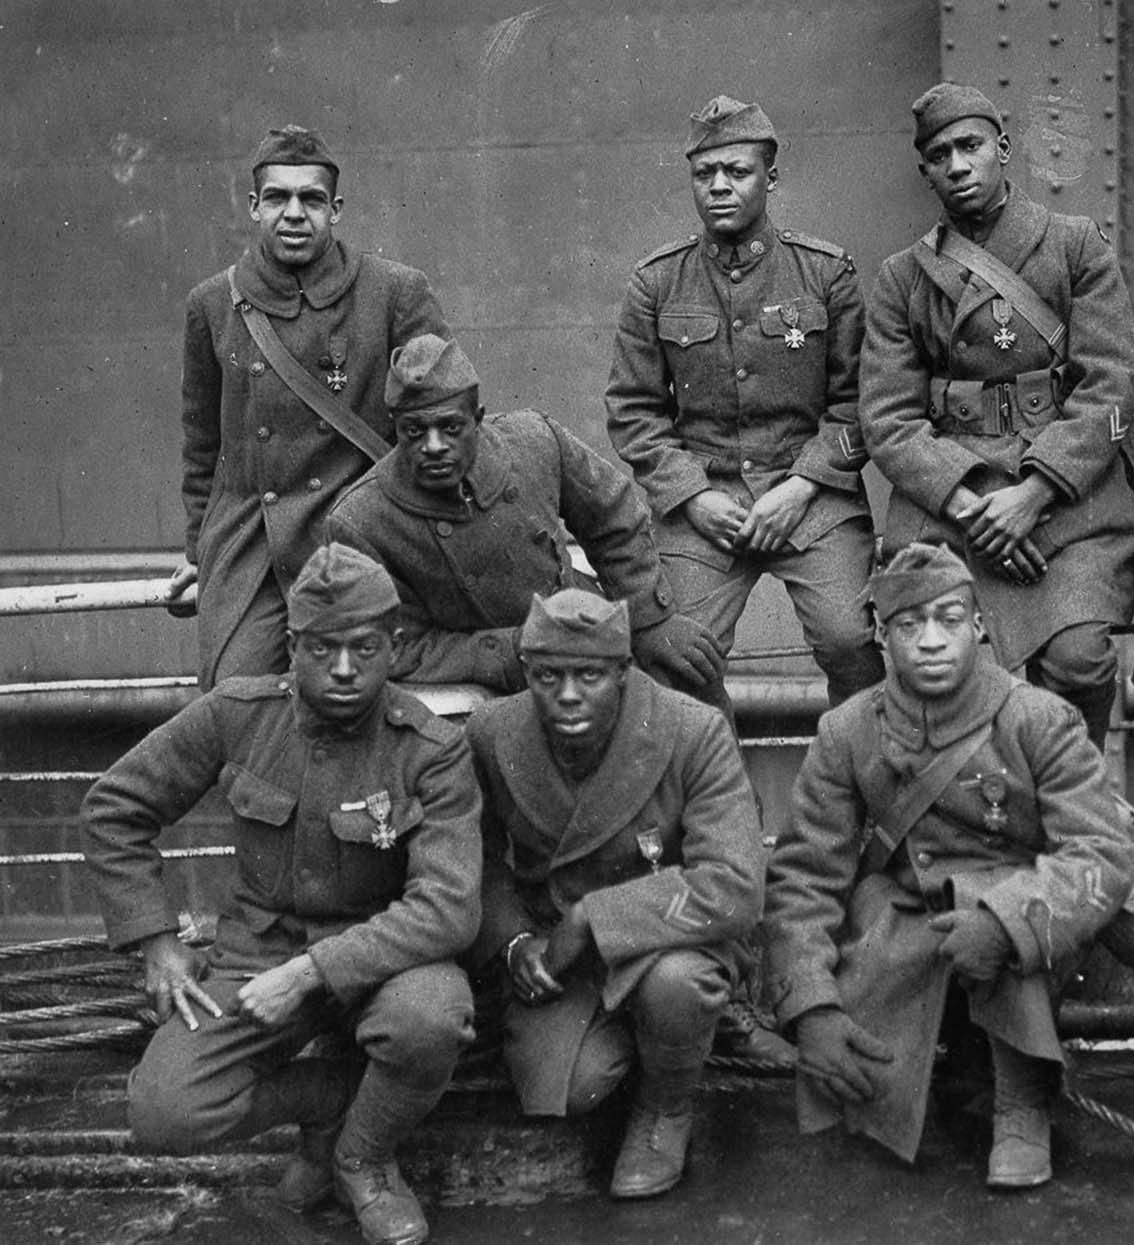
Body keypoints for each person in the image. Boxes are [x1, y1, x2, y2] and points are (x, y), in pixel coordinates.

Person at [82, 543, 481, 1245]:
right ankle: (332, 1105)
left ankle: (365, 1159)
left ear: (395, 646)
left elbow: (448, 908)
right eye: (324, 649)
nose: (346, 668)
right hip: (254, 956)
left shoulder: (431, 748)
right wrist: (157, 941)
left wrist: (309, 973)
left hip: (381, 963)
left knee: (431, 1016)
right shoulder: (238, 715)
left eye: (365, 647)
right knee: (164, 1109)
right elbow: (115, 807)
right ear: (293, 646)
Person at [764, 544, 1134, 1188]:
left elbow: (1100, 851)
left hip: (1046, 893)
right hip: (920, 906)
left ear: (980, 626)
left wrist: (1005, 924)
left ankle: (1022, 1107)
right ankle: (968, 1067)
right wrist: (811, 1006)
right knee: (867, 1086)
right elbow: (805, 876)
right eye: (909, 625)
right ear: (882, 637)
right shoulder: (848, 730)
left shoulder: (1037, 716)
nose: (931, 641)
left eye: (948, 619)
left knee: (1005, 912)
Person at [859, 83, 1134, 752]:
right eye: (940, 155)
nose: (958, 165)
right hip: (954, 502)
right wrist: (975, 504)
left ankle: (1078, 796)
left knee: (1078, 659)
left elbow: (1110, 384)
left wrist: (1035, 492)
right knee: (937, 666)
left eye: (971, 146)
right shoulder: (903, 277)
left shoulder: (1075, 246)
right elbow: (887, 417)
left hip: (1070, 498)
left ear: (1002, 150)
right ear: (925, 170)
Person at [467, 588, 765, 1199]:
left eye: (590, 675)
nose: (569, 694)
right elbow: (476, 862)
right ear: (527, 672)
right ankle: (647, 1043)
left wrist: (593, 918)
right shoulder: (493, 733)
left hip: (672, 940)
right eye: (549, 676)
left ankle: (666, 1106)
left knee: (676, 985)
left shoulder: (691, 730)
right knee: (576, 1090)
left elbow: (734, 886)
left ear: (624, 672)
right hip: (560, 959)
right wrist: (514, 940)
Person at [606, 94, 883, 710]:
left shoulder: (826, 274)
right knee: (678, 655)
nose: (719, 187)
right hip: (706, 501)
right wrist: (694, 496)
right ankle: (717, 798)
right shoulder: (656, 282)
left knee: (849, 638)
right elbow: (634, 410)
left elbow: (859, 402)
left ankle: (864, 790)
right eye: (705, 175)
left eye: (738, 172)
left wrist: (802, 486)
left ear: (771, 178)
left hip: (812, 499)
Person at [172, 124, 452, 690]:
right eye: (277, 197)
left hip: (360, 538)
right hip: (252, 546)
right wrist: (199, 551)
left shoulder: (395, 292)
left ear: (336, 209)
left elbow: (444, 422)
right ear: (253, 206)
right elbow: (203, 446)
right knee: (236, 700)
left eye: (312, 199)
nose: (294, 213)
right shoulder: (211, 304)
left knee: (360, 693)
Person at [327, 333, 724, 700]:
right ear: (395, 428)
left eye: (450, 427)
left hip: (582, 626)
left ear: (477, 419)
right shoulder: (362, 521)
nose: (434, 446)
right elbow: (401, 647)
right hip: (489, 677)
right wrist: (519, 646)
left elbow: (614, 518)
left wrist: (648, 619)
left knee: (691, 677)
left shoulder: (533, 441)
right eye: (414, 431)